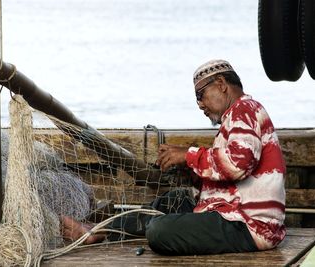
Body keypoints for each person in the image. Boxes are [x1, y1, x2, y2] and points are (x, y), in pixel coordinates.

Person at [61, 59, 286, 255]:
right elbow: (230, 177)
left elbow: (238, 164)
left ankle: (102, 231)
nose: (200, 104)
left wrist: (187, 156)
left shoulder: (244, 109)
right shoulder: (236, 116)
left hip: (248, 225)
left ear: (221, 84)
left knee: (159, 230)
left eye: (201, 95)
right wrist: (191, 173)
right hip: (228, 214)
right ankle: (96, 232)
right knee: (174, 199)